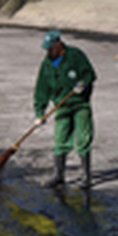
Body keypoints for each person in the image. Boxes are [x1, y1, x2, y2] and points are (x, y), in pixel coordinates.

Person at [33, 29, 96, 189]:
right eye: (46, 48)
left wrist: (83, 84)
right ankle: (58, 175)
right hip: (61, 107)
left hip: (80, 104)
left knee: (83, 139)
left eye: (50, 48)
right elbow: (41, 89)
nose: (48, 51)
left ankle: (86, 177)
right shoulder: (46, 65)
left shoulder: (75, 55)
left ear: (58, 44)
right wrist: (40, 113)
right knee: (60, 140)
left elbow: (89, 74)